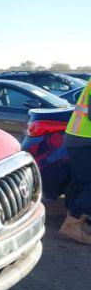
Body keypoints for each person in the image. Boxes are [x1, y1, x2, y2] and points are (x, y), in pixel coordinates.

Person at [60, 78, 91, 245]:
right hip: (85, 139)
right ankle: (72, 224)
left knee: (81, 184)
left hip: (78, 137)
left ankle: (73, 222)